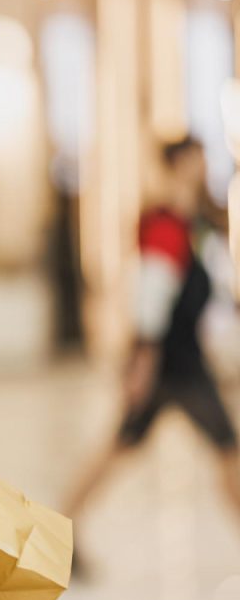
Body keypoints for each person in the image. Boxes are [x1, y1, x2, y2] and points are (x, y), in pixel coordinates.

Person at [64, 137, 240, 545]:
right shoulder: (166, 225)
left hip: (179, 359)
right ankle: (60, 530)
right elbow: (152, 299)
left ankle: (63, 527)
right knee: (226, 448)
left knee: (120, 448)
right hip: (173, 363)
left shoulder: (194, 224)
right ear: (179, 164)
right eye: (195, 160)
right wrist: (142, 362)